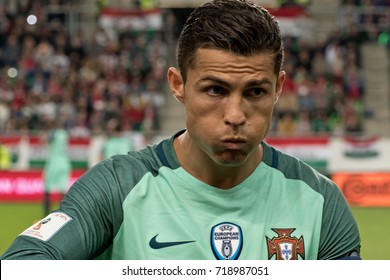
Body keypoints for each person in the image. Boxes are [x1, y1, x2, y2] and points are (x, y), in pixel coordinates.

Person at [1, 0, 360, 260]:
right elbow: (23, 263)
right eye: (215, 90)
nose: (235, 115)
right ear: (178, 85)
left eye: (255, 92)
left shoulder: (321, 203)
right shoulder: (116, 187)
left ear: (278, 88)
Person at [42, 126, 71, 217]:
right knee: (62, 190)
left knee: (47, 189)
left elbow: (47, 139)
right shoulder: (65, 134)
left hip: (54, 163)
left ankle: (46, 215)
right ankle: (64, 215)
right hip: (64, 162)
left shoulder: (54, 133)